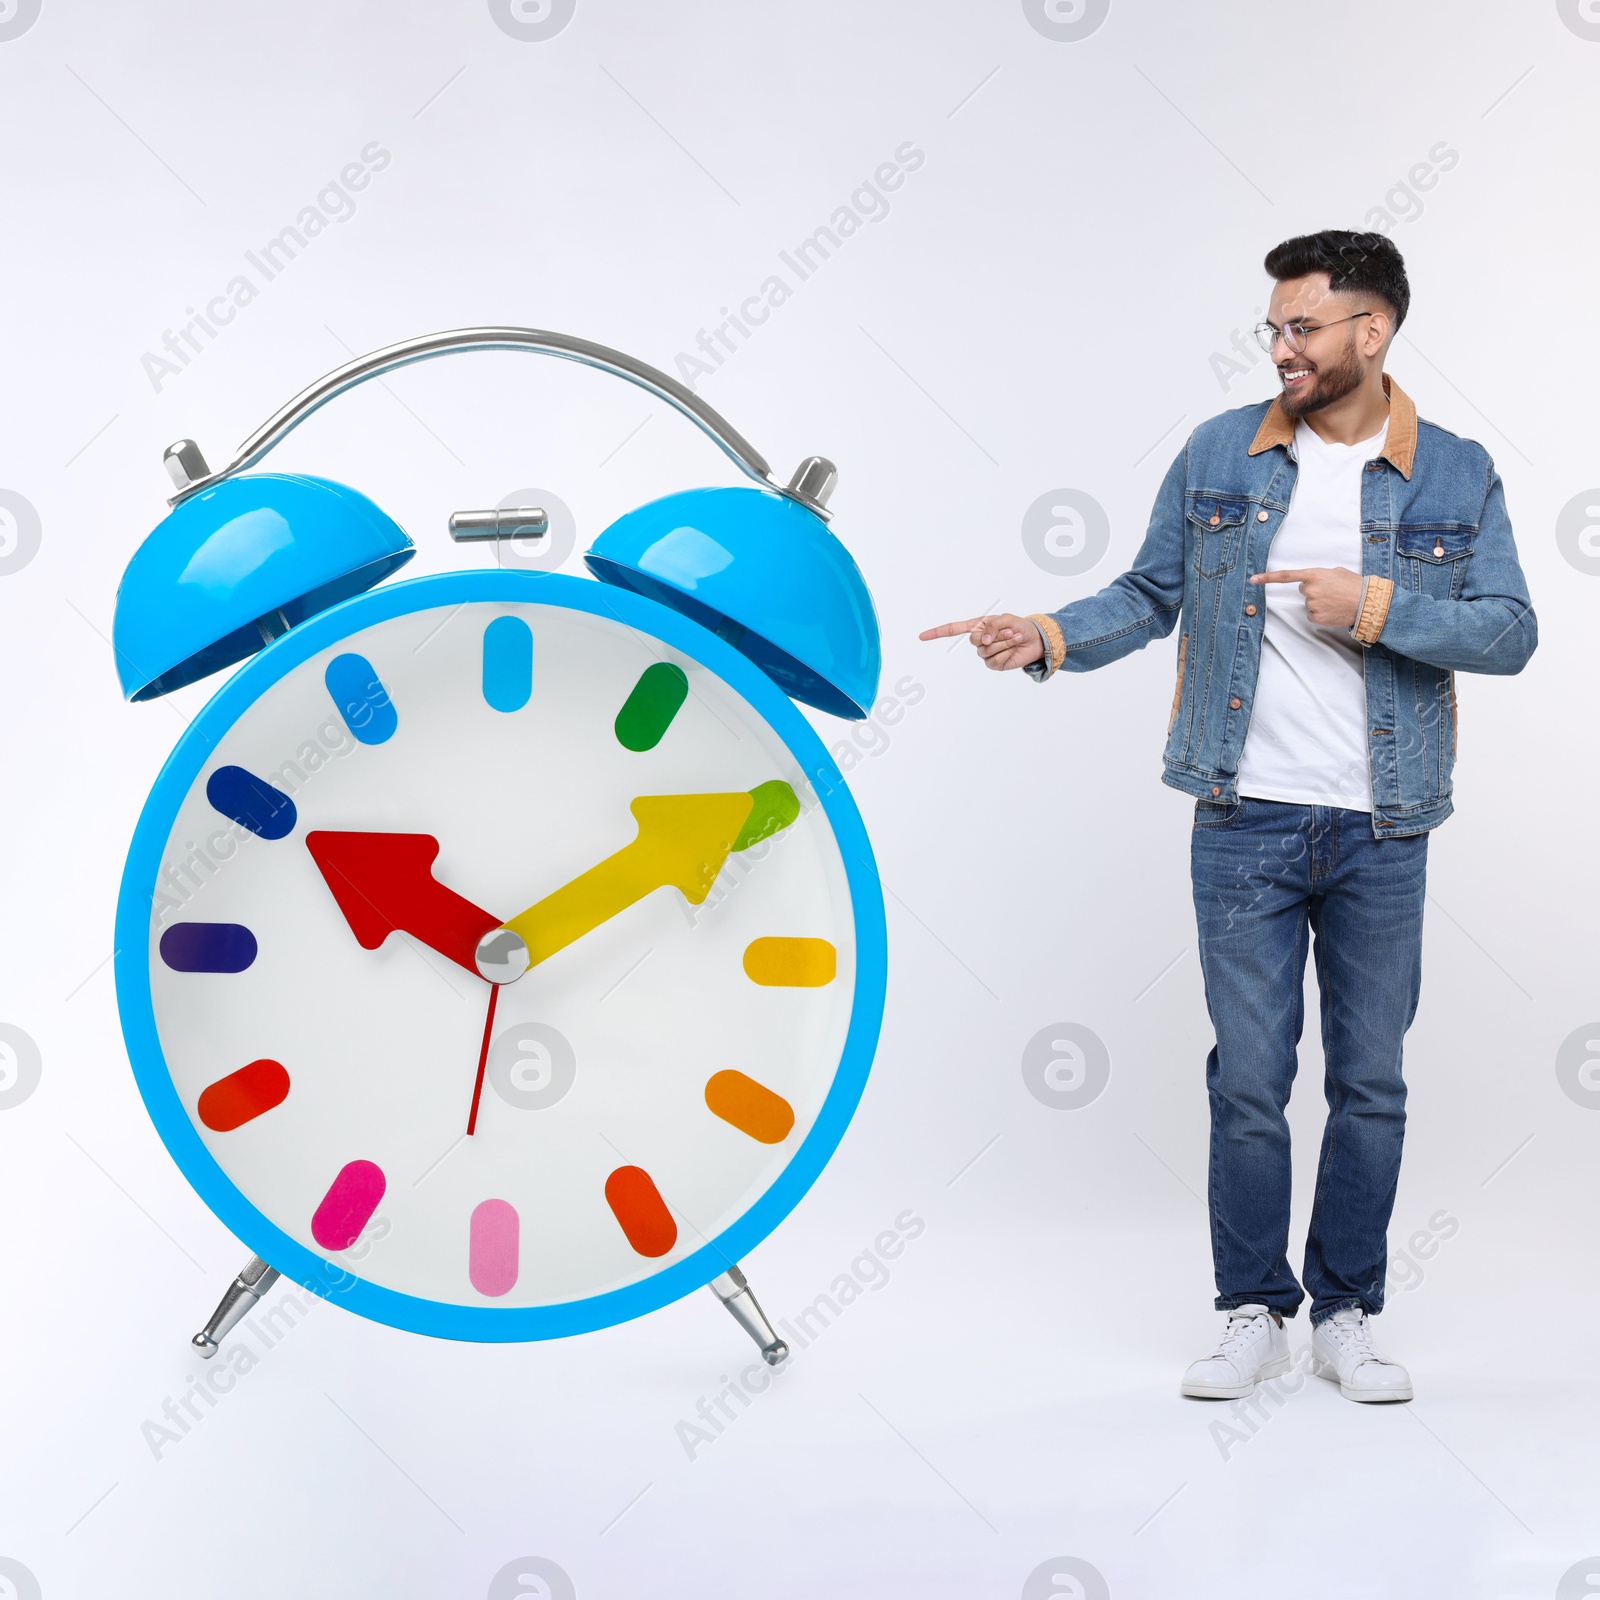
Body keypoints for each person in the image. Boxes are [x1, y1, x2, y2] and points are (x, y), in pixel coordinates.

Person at [922, 231, 1535, 1403]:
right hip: (1242, 814)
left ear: (1373, 331)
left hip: (1382, 824)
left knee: (1369, 1081)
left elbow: (1508, 631)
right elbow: (1151, 592)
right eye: (1273, 328)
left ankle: (1346, 1311)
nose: (1281, 348)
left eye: (1304, 327)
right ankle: (1252, 1307)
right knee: (1249, 1078)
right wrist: (1050, 634)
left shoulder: (1455, 472)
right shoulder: (1221, 454)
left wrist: (1375, 606)